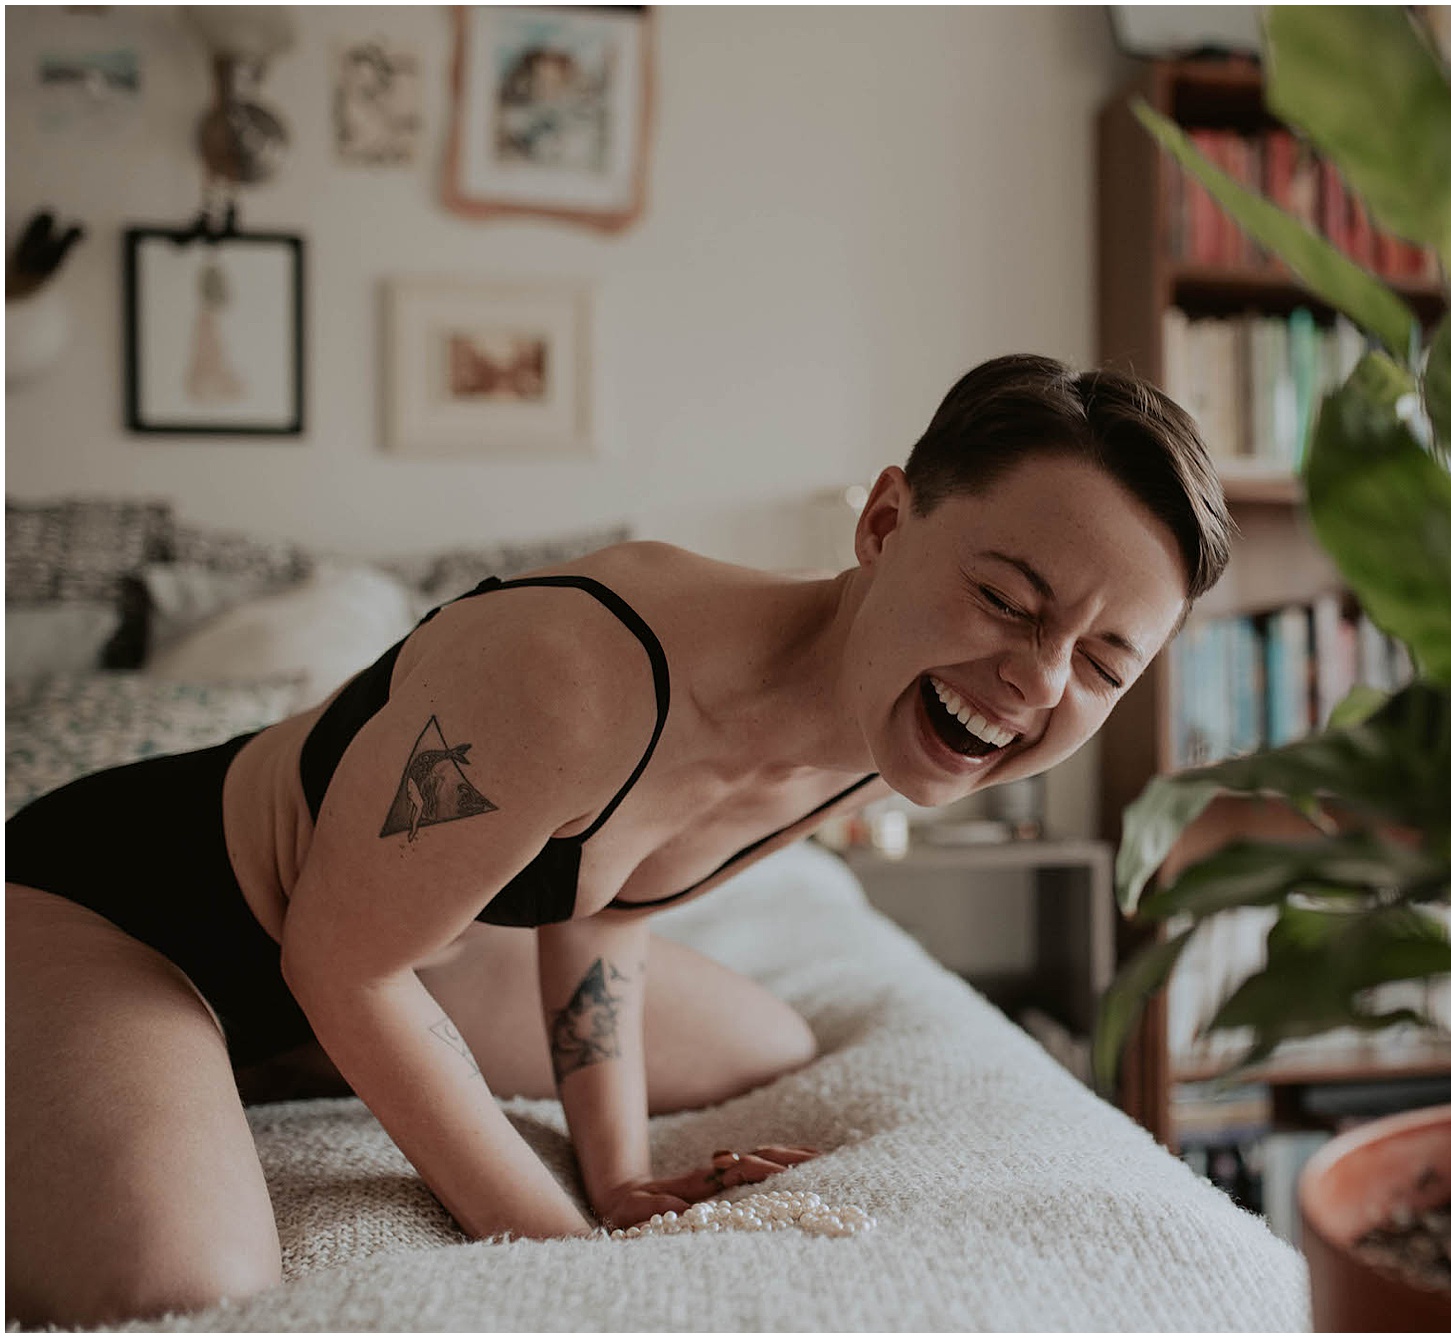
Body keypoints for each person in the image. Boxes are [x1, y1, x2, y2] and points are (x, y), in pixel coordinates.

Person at [5, 353, 1233, 1327]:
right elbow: (343, 963)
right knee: (183, 1292)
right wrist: (562, 1247)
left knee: (771, 1035)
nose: (1033, 677)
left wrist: (620, 1172)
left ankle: (266, 1069)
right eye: (1007, 600)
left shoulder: (880, 725)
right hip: (127, 910)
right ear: (883, 519)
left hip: (385, 928)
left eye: (1103, 663)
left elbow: (607, 906)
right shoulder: (574, 675)